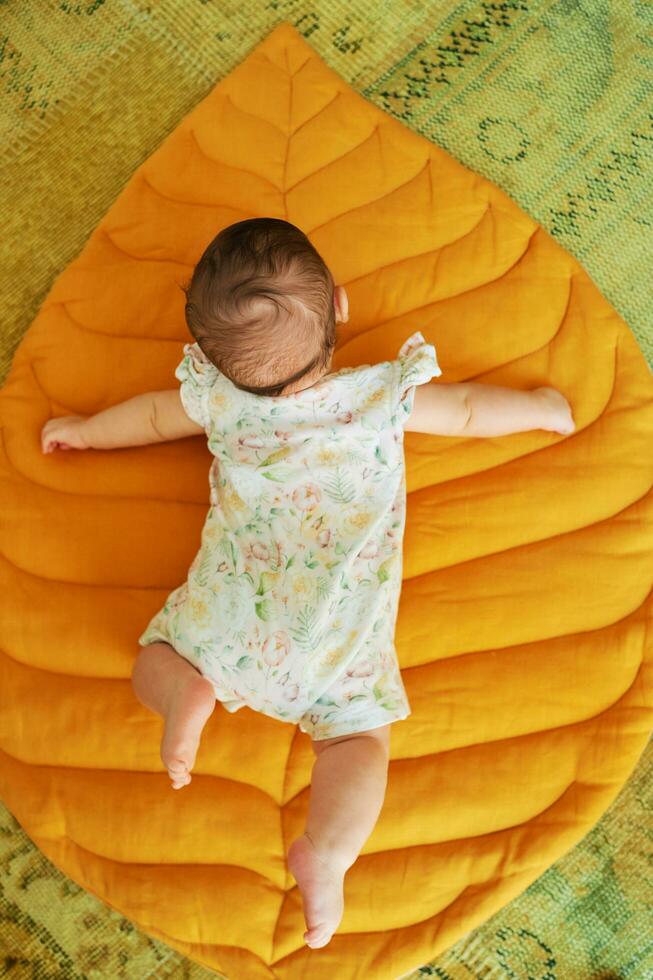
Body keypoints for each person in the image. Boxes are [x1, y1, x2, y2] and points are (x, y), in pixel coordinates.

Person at [40, 217, 575, 949]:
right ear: (342, 308)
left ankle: (181, 691)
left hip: (227, 619)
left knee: (156, 658)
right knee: (357, 742)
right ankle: (327, 854)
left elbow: (152, 418)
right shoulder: (381, 398)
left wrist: (86, 430)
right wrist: (543, 411)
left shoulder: (216, 400)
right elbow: (475, 412)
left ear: (207, 355)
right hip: (336, 647)